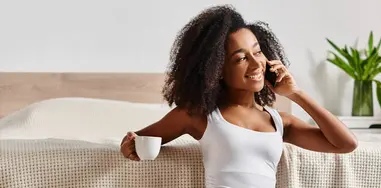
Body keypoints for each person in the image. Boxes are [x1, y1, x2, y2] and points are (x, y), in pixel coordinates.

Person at [119, 5, 358, 188]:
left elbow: (346, 144)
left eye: (257, 52)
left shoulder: (279, 122)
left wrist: (297, 94)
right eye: (241, 58)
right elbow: (137, 140)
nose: (256, 64)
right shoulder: (199, 116)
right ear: (217, 68)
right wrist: (127, 147)